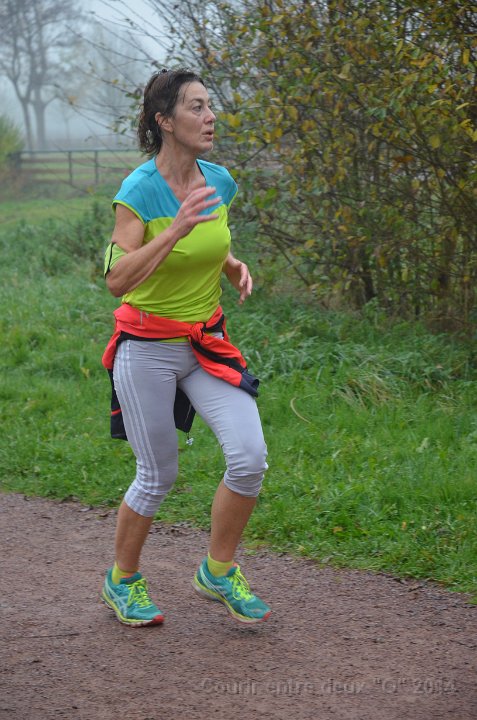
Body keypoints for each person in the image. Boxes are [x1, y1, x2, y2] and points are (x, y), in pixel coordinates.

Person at [100, 68, 270, 627]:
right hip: (146, 346)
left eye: (209, 105)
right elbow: (117, 279)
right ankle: (123, 579)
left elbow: (209, 238)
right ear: (165, 121)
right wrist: (171, 230)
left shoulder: (219, 181)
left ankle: (218, 571)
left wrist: (230, 262)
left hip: (205, 343)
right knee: (158, 475)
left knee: (249, 458)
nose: (211, 116)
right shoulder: (138, 191)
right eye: (196, 107)